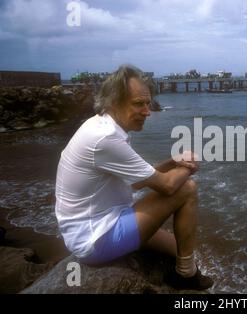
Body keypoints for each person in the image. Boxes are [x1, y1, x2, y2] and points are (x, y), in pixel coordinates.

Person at [55, 64, 213, 290]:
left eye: (148, 103)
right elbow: (168, 187)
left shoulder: (102, 126)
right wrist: (191, 163)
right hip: (94, 238)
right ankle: (186, 276)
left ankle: (187, 266)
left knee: (177, 247)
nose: (148, 111)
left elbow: (138, 181)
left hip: (105, 220)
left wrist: (172, 162)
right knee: (186, 188)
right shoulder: (105, 138)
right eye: (139, 104)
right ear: (112, 102)